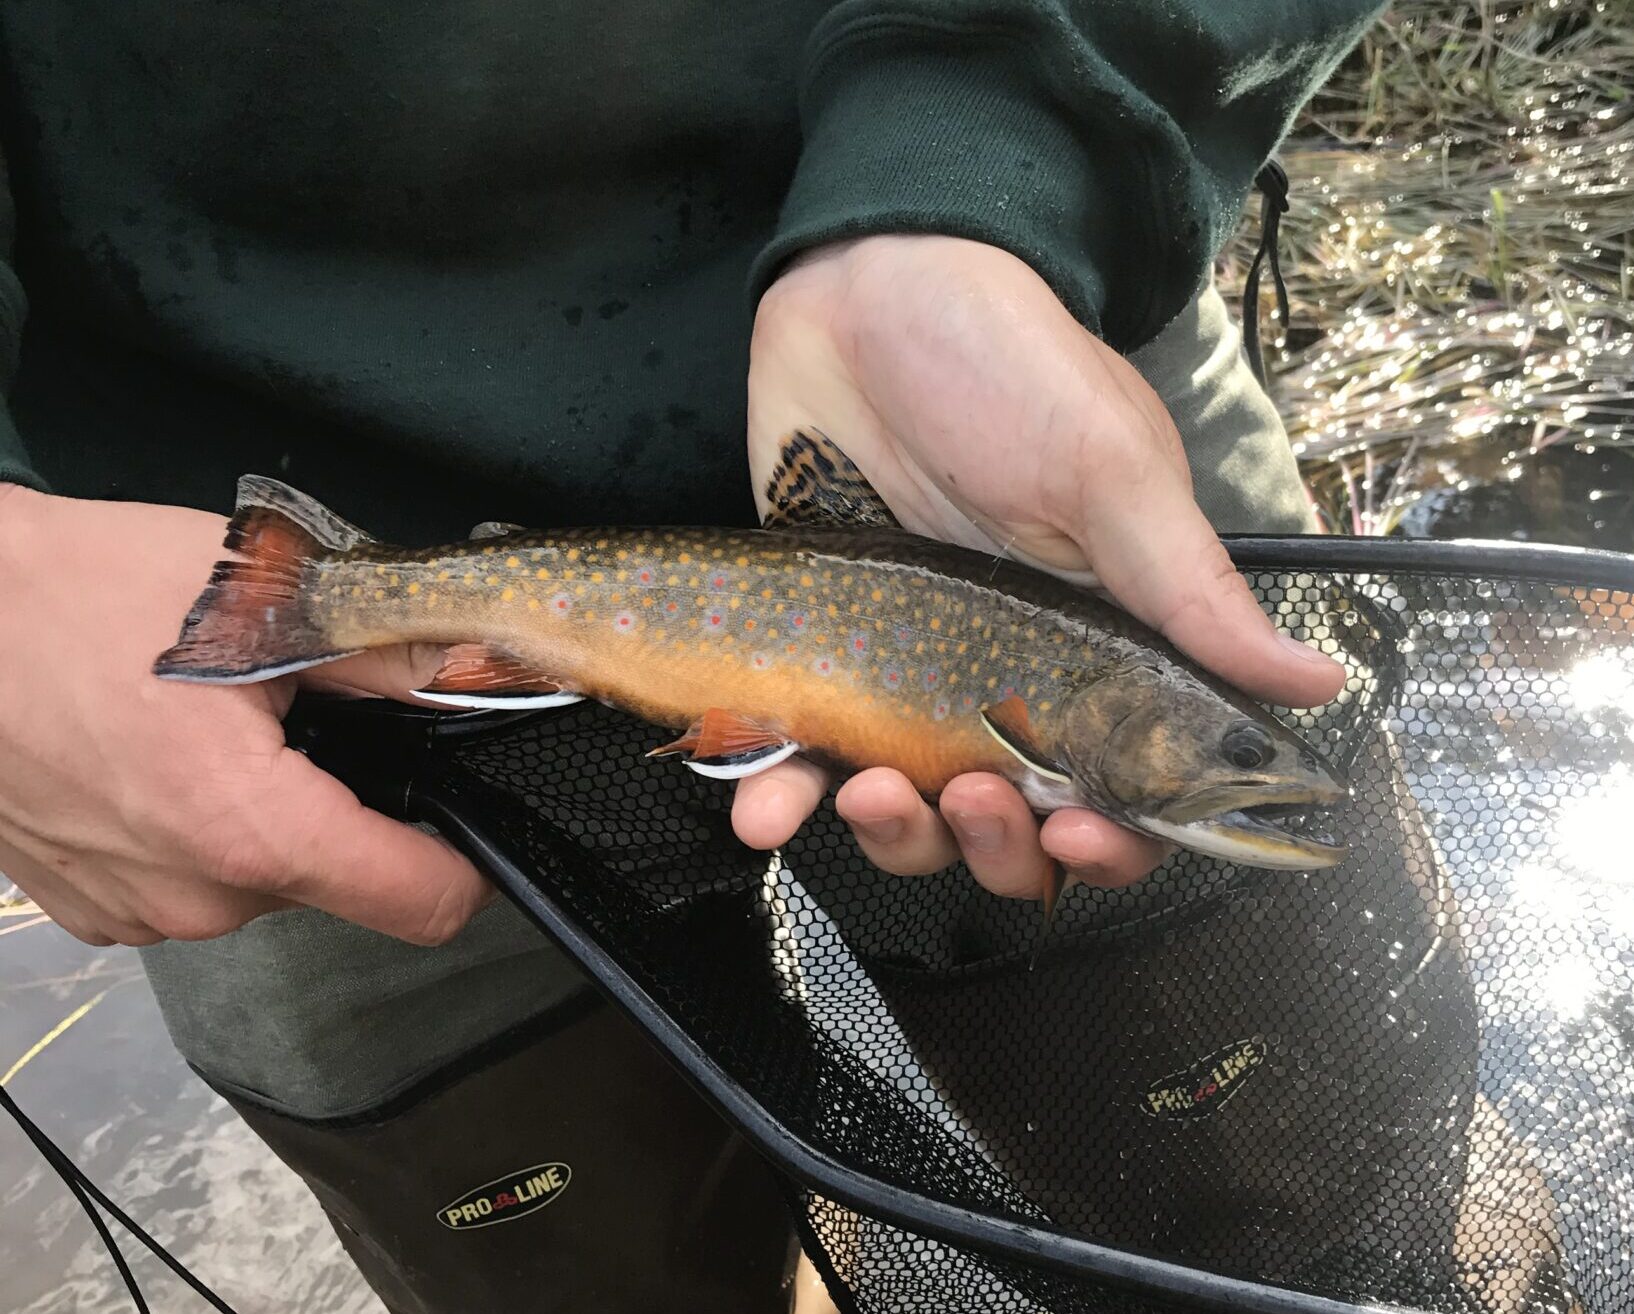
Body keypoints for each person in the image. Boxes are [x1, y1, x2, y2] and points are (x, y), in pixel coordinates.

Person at [0, 4, 1396, 1310]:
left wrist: (988, 169)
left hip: (1018, 359)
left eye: (1236, 754)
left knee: (1291, 1191)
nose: (1259, 767)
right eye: (1235, 751)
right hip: (117, 537)